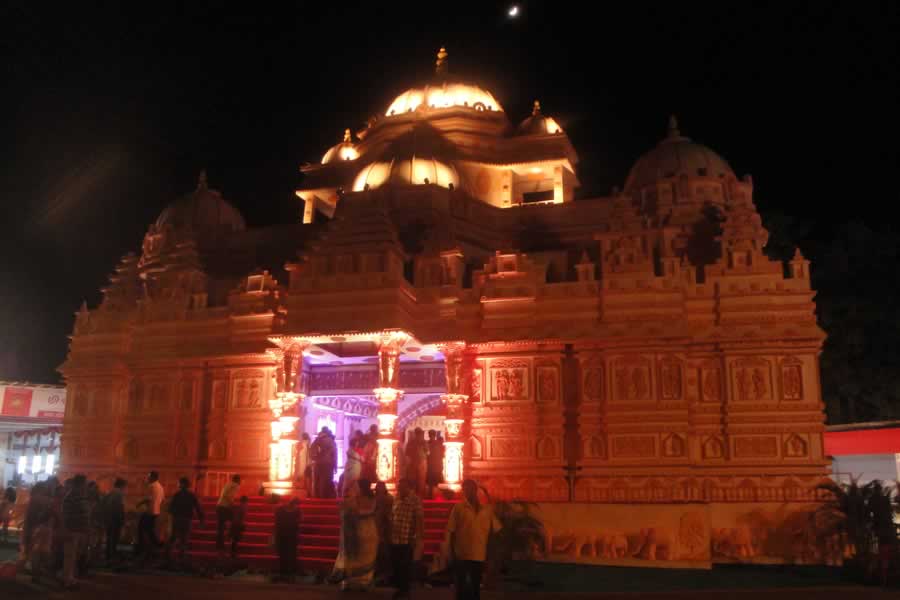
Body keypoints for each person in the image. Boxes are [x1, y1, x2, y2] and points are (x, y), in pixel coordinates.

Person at [446, 479, 499, 600]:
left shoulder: (487, 510)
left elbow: (494, 532)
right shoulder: (458, 508)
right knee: (461, 587)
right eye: (465, 489)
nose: (467, 491)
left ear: (475, 490)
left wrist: (491, 554)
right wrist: (451, 551)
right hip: (462, 554)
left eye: (470, 488)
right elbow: (451, 531)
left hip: (479, 553)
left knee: (475, 587)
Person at [338, 479, 377, 591]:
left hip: (359, 528)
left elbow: (347, 511)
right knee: (366, 556)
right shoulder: (372, 498)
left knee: (355, 556)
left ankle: (351, 581)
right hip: (369, 528)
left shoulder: (355, 499)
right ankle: (364, 581)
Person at [390, 478, 424, 600]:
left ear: (408, 487)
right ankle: (400, 588)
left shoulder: (415, 500)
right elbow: (393, 515)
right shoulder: (396, 498)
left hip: (407, 538)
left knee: (405, 565)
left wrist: (416, 536)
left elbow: (419, 519)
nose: (400, 488)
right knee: (397, 565)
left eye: (402, 486)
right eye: (399, 486)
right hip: (395, 538)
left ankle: (405, 589)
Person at [62, 474, 90, 590]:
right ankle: (67, 580)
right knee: (70, 556)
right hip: (73, 529)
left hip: (77, 529)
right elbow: (69, 514)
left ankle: (70, 578)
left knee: (73, 556)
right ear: (80, 484)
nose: (85, 486)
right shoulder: (73, 496)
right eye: (85, 483)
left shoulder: (76, 495)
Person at [22, 482, 54, 584]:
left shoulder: (33, 499)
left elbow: (29, 516)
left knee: (35, 552)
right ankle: (41, 570)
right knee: (44, 551)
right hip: (47, 528)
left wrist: (27, 529)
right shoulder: (49, 500)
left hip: (35, 527)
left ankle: (36, 574)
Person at [168, 477, 204, 561]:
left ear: (182, 484)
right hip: (187, 520)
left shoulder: (177, 494)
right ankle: (181, 557)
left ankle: (168, 556)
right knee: (184, 539)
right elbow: (198, 508)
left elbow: (171, 508)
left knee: (173, 537)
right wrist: (201, 520)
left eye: (179, 483)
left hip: (177, 519)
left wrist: (172, 516)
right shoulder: (191, 495)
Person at [136, 471, 165, 559]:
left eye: (148, 477)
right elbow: (163, 499)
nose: (147, 478)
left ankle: (142, 547)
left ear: (152, 477)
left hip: (150, 511)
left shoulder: (152, 486)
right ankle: (156, 544)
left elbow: (148, 499)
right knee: (149, 529)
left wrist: (139, 504)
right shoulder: (160, 487)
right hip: (156, 511)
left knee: (141, 528)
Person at [274, 497, 301, 582]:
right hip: (291, 535)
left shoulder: (280, 509)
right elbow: (299, 521)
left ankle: (283, 571)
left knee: (283, 553)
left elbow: (277, 521)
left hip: (282, 534)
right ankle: (290, 571)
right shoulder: (296, 511)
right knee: (291, 553)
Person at [374, 481, 394, 584]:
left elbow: (390, 516)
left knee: (385, 554)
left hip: (384, 531)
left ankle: (385, 576)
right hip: (376, 530)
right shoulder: (375, 498)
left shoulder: (389, 499)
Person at [102, 478, 126, 562]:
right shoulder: (119, 493)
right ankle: (112, 557)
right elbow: (119, 507)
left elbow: (104, 504)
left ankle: (108, 556)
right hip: (115, 519)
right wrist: (122, 519)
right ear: (122, 486)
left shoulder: (109, 492)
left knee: (109, 539)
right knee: (114, 539)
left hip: (108, 519)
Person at [216, 474, 241, 556]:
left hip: (219, 506)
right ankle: (231, 542)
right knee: (236, 523)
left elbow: (225, 494)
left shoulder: (228, 484)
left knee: (220, 528)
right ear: (238, 480)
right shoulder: (235, 485)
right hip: (225, 507)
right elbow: (229, 496)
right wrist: (233, 504)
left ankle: (220, 547)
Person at [311, 428, 337, 498]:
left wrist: (314, 458)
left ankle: (316, 497)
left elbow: (312, 450)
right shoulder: (331, 441)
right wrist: (335, 466)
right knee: (326, 481)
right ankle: (324, 497)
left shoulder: (317, 440)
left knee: (317, 480)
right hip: (328, 463)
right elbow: (334, 454)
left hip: (318, 463)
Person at [406, 428, 429, 497]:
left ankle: (416, 495)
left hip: (417, 462)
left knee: (416, 480)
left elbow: (407, 454)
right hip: (420, 462)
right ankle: (418, 495)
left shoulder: (412, 442)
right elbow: (428, 452)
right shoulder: (422, 442)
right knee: (419, 480)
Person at [426, 430, 445, 499]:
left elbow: (441, 455)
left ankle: (432, 495)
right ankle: (432, 495)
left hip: (433, 466)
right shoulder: (437, 444)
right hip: (433, 466)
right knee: (433, 482)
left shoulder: (431, 444)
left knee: (433, 482)